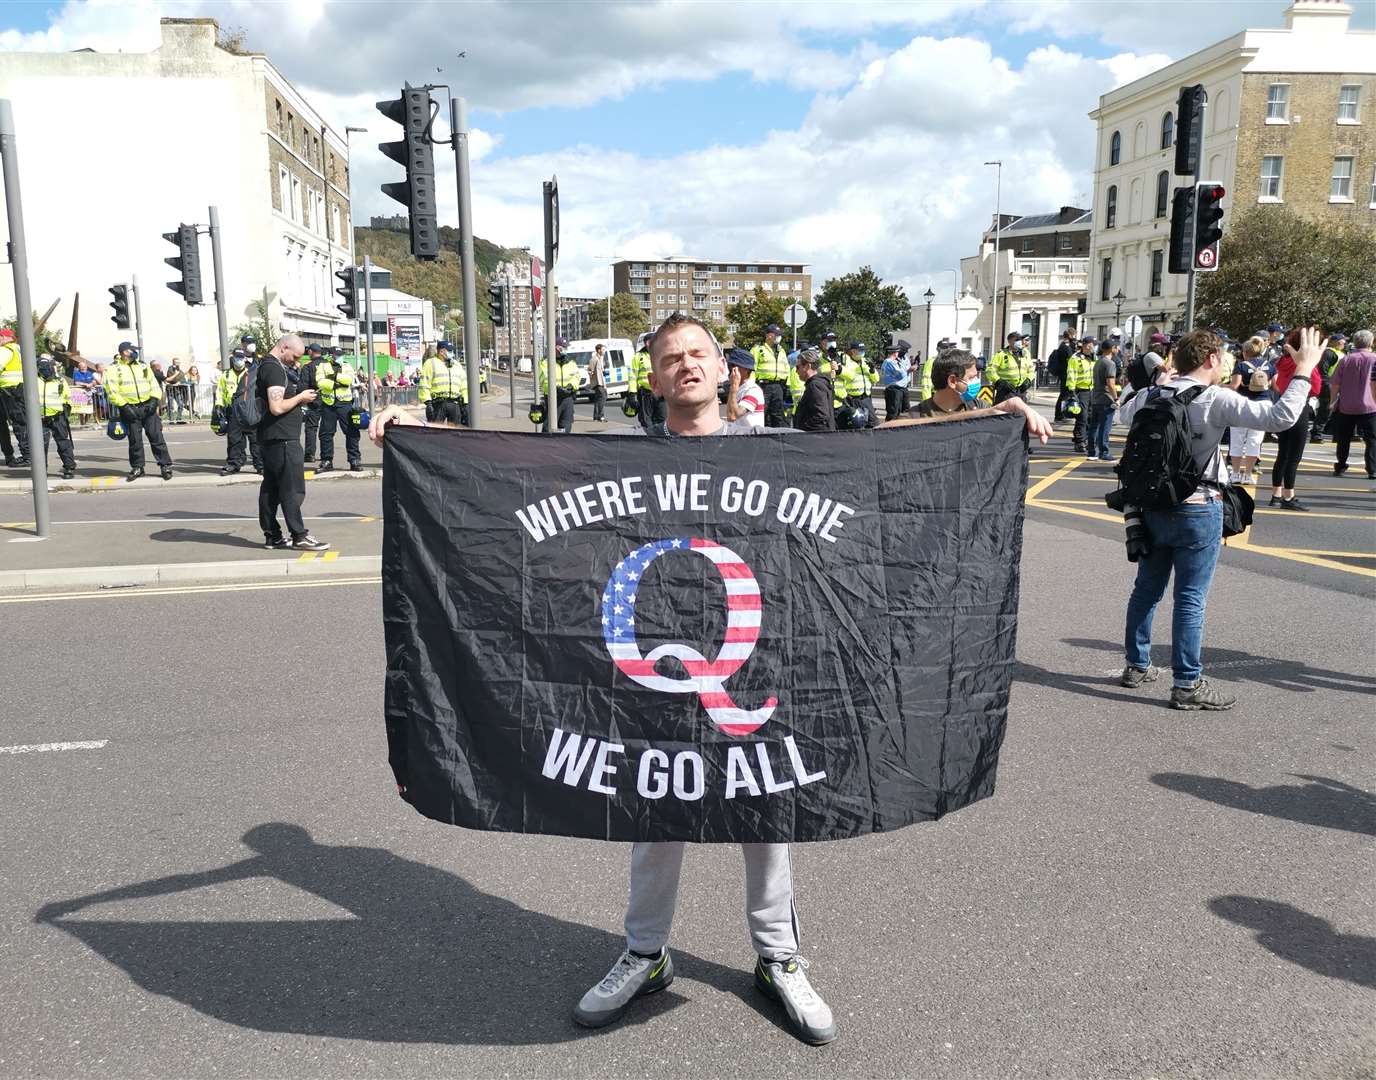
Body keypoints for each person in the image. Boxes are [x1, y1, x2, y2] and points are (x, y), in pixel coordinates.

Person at [367, 312, 1050, 1046]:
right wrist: (416, 434)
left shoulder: (771, 448)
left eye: (699, 354)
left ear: (725, 370)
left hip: (761, 667)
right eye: (671, 357)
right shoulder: (619, 452)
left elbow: (878, 456)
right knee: (651, 809)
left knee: (773, 808)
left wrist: (993, 415)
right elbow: (510, 475)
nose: (686, 366)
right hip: (641, 679)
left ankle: (779, 958)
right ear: (654, 376)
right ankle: (644, 952)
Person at [1116, 327, 1322, 710]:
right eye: (1224, 357)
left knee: (1146, 589)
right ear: (1211, 359)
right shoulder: (1215, 399)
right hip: (1197, 507)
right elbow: (1280, 417)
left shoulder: (1152, 394)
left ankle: (1137, 666)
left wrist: (1159, 381)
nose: (1226, 364)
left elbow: (1122, 413)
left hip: (1151, 507)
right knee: (1190, 599)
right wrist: (1303, 371)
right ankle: (1187, 684)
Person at [256, 334, 327, 551]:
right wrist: (300, 398)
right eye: (294, 356)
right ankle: (299, 535)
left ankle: (273, 535)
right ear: (284, 347)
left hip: (271, 437)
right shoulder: (275, 369)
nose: (296, 362)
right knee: (292, 489)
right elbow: (276, 407)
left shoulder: (265, 365)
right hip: (283, 438)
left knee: (271, 488)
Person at [1267, 328, 1321, 511]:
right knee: (1294, 457)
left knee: (1282, 454)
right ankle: (1289, 496)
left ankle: (1276, 494)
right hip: (1300, 407)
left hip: (1283, 403)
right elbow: (1316, 388)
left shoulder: (1282, 362)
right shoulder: (1305, 365)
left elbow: (1278, 384)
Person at [106, 341, 172, 481]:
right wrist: (124, 406)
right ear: (124, 352)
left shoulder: (142, 365)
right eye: (133, 350)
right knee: (135, 441)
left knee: (156, 437)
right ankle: (138, 467)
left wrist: (154, 400)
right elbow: (112, 391)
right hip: (129, 408)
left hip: (147, 406)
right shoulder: (113, 369)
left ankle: (165, 465)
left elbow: (153, 384)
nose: (135, 352)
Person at [1328, 328, 1376, 479]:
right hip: (1370, 405)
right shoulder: (1374, 358)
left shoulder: (1346, 359)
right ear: (1371, 342)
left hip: (1346, 405)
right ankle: (1372, 469)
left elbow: (1335, 383)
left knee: (1343, 438)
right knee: (1372, 439)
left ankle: (1340, 466)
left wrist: (1332, 401)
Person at [1228, 336, 1275, 484]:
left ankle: (1235, 474)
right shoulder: (1269, 365)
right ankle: (1248, 474)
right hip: (1263, 405)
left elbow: (1234, 387)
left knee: (1237, 440)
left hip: (1243, 404)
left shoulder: (1241, 366)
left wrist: (1218, 386)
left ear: (1245, 352)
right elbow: (1276, 385)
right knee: (1255, 441)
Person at [0, 327, 32, 467]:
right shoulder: (18, 349)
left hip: (11, 389)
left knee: (19, 423)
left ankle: (27, 455)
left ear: (5, 337)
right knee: (23, 421)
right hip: (20, 388)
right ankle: (29, 453)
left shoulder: (6, 349)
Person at [315, 345, 363, 473]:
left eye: (341, 354)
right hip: (328, 404)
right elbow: (320, 382)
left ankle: (354, 460)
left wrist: (333, 377)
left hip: (344, 403)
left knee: (351, 432)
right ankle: (327, 460)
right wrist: (336, 382)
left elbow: (348, 380)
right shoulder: (323, 366)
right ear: (331, 355)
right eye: (337, 354)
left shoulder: (347, 366)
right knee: (326, 433)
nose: (340, 357)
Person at [217, 353, 263, 476]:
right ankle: (233, 464)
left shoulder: (251, 373)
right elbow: (220, 392)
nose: (239, 360)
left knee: (255, 439)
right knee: (234, 439)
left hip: (249, 409)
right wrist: (218, 406)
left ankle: (260, 465)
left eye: (241, 357)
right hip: (233, 410)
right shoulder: (226, 375)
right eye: (237, 357)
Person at [35, 354, 77, 479]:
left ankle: (69, 467)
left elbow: (67, 397)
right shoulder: (34, 380)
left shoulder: (60, 380)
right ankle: (41, 470)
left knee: (63, 443)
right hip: (40, 418)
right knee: (40, 446)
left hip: (58, 417)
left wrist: (66, 410)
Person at [913, 349, 981, 416]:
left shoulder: (981, 408)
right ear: (952, 381)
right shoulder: (914, 417)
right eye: (972, 378)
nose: (977, 381)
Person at [751, 323, 791, 427]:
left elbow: (786, 368)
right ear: (769, 335)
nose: (779, 337)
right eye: (777, 335)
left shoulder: (781, 350)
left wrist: (787, 385)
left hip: (778, 386)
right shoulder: (758, 350)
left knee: (778, 415)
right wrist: (752, 386)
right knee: (762, 414)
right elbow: (752, 369)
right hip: (764, 386)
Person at [538, 339, 581, 433]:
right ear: (557, 348)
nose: (566, 349)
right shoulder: (545, 363)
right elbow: (543, 381)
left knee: (566, 427)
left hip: (568, 398)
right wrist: (556, 389)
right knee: (548, 428)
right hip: (553, 398)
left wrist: (571, 386)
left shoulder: (571, 362)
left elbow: (577, 377)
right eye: (564, 347)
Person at [1087, 339, 1120, 462]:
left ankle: (1091, 452)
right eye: (1116, 347)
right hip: (1106, 399)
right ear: (1112, 349)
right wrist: (1116, 399)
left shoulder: (1098, 362)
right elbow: (1110, 383)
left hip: (1096, 397)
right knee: (1105, 427)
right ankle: (1104, 452)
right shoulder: (1110, 364)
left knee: (1094, 426)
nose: (1118, 349)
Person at [421, 340, 468, 425]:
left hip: (455, 403)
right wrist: (428, 403)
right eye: (449, 350)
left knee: (455, 433)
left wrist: (465, 403)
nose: (452, 353)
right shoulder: (430, 363)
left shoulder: (457, 365)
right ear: (441, 352)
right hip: (438, 404)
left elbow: (463, 384)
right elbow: (424, 384)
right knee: (435, 432)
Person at [1310, 332, 1346, 443]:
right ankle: (1316, 434)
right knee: (1325, 410)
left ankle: (1336, 433)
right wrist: (1326, 384)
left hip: (1339, 385)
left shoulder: (1340, 353)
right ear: (1335, 342)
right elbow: (1323, 370)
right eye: (1341, 340)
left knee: (1337, 411)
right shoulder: (1329, 353)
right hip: (1329, 385)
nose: (1344, 342)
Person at [1065, 335, 1096, 454]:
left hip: (1091, 390)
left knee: (1090, 416)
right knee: (1082, 417)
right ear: (1087, 345)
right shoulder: (1075, 358)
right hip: (1080, 390)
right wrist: (1072, 392)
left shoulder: (1094, 357)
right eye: (1093, 344)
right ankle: (1079, 442)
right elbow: (1071, 374)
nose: (1094, 346)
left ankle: (1086, 439)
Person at [791, 347, 835, 431]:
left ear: (808, 366)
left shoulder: (815, 385)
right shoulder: (816, 384)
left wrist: (803, 429)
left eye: (798, 367)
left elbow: (821, 415)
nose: (796, 371)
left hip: (817, 438)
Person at [987, 331, 1036, 405]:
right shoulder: (1001, 354)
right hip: (1006, 392)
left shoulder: (1025, 353)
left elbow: (1031, 370)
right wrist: (1000, 382)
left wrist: (1028, 380)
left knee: (1020, 414)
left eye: (1019, 340)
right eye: (1016, 340)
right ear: (1009, 342)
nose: (1019, 342)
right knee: (1003, 414)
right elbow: (990, 371)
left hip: (1021, 391)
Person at [629, 333, 664, 428]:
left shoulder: (662, 354)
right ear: (646, 343)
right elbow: (632, 376)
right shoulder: (639, 357)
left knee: (662, 418)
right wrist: (632, 394)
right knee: (646, 420)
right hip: (646, 392)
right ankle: (649, 440)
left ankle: (661, 440)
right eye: (648, 342)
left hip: (661, 393)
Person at [837, 341, 875, 428]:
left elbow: (876, 379)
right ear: (853, 351)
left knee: (872, 423)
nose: (862, 352)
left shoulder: (865, 362)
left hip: (866, 398)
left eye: (863, 350)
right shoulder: (846, 362)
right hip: (853, 399)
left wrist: (872, 370)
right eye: (859, 350)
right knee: (855, 424)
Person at [724, 348, 763, 429]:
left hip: (750, 439)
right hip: (739, 438)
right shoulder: (739, 388)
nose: (731, 369)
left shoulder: (753, 390)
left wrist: (733, 388)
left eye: (734, 366)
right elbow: (729, 416)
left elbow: (733, 416)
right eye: (731, 365)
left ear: (746, 369)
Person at [299, 342, 324, 463]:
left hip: (314, 400)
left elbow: (303, 386)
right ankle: (326, 456)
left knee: (311, 428)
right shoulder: (328, 364)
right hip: (329, 400)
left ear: (310, 352)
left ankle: (310, 455)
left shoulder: (308, 366)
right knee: (327, 430)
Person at [1048, 328, 1076, 422]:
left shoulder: (1066, 345)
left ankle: (1062, 414)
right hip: (1065, 374)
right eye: (1073, 335)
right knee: (1063, 395)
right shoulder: (1064, 347)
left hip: (1065, 374)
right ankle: (1059, 415)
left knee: (1065, 395)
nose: (1075, 337)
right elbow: (1071, 358)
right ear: (1069, 336)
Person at [879, 341, 910, 421]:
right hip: (893, 389)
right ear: (894, 353)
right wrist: (907, 370)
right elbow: (901, 374)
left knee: (904, 410)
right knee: (893, 412)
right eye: (897, 352)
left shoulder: (895, 361)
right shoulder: (889, 362)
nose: (898, 354)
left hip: (900, 389)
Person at [588, 343, 608, 423]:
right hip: (598, 382)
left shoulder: (600, 358)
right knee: (603, 397)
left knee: (598, 399)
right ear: (598, 350)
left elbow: (600, 370)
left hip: (601, 382)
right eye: (603, 350)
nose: (604, 351)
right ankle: (601, 416)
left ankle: (596, 417)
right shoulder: (594, 359)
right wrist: (593, 379)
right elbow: (590, 370)